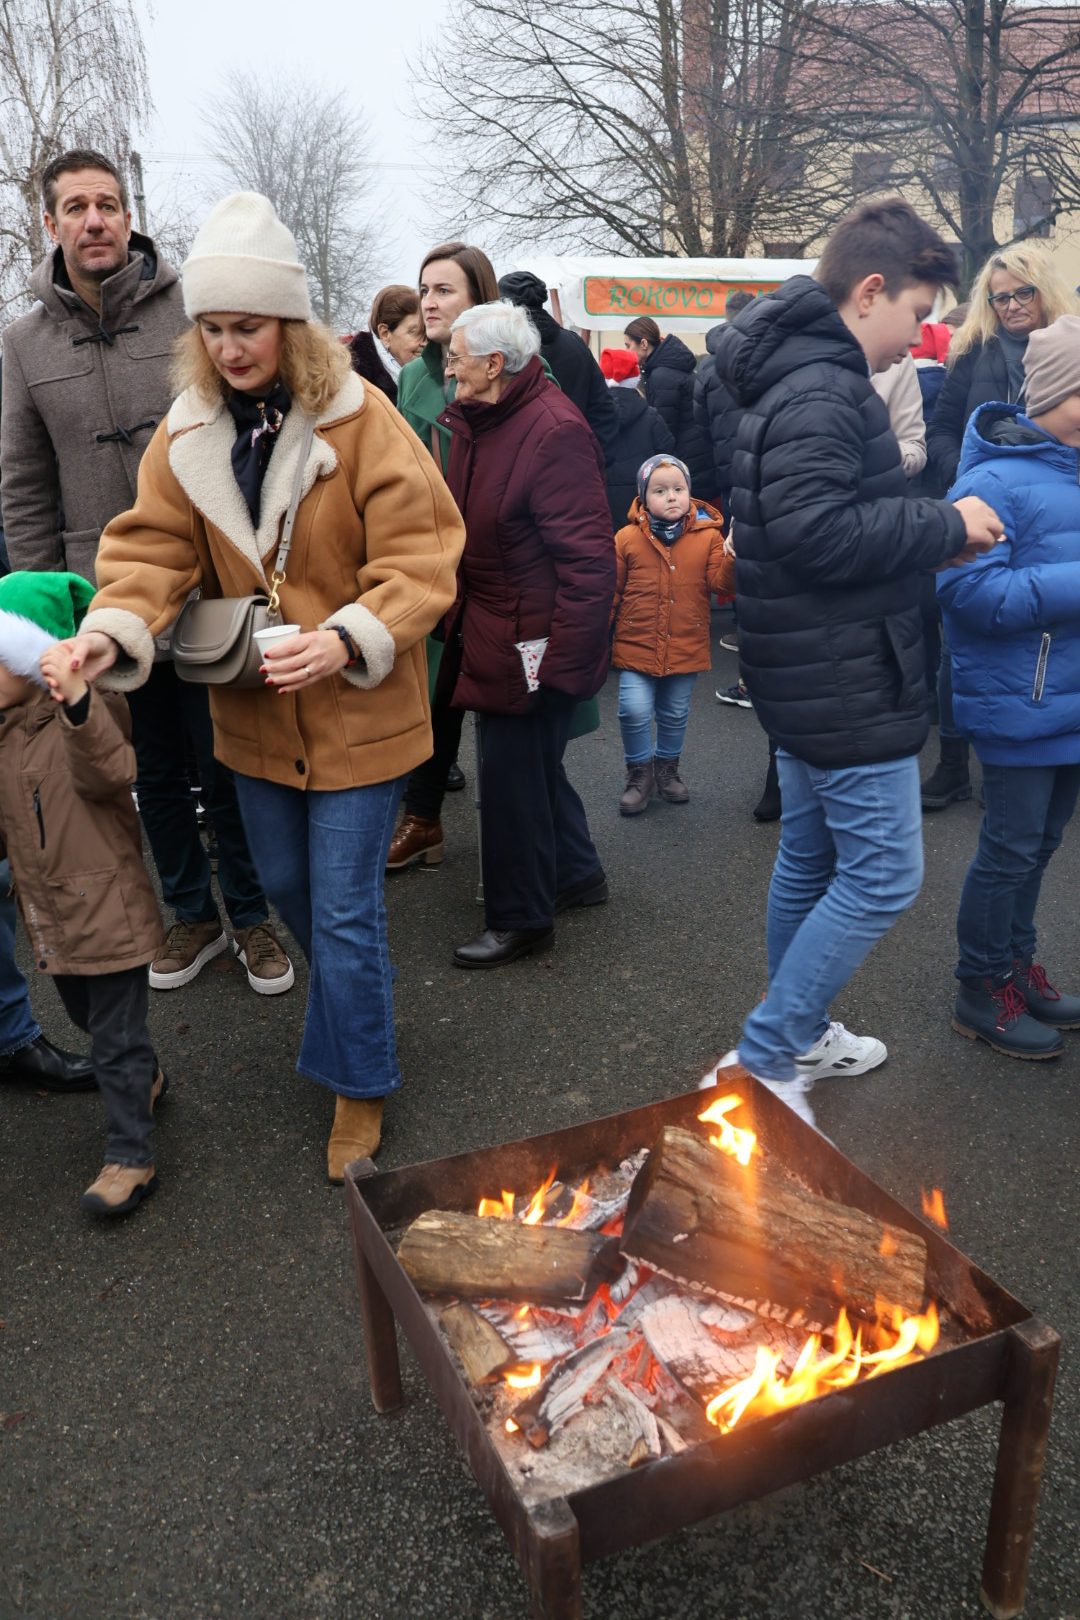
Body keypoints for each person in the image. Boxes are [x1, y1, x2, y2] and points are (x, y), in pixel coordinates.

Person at [58, 192, 465, 1181]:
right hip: (251, 716)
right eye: (214, 327)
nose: (231, 347)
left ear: (288, 324)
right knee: (286, 891)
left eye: (249, 326)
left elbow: (426, 557)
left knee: (342, 910)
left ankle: (360, 1083)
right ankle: (352, 1021)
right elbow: (149, 554)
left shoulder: (363, 420)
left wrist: (345, 638)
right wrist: (109, 633)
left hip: (360, 709)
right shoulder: (186, 433)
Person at [699, 197, 1004, 1127]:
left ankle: (803, 1034)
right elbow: (815, 530)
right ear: (871, 291)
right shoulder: (826, 388)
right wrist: (945, 523)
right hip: (843, 673)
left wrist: (922, 542)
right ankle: (767, 1053)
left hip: (806, 662)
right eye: (916, 314)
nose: (919, 338)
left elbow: (803, 528)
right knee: (881, 876)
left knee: (810, 855)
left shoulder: (794, 374)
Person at [0, 147, 291, 997]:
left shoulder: (188, 312)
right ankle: (190, 913)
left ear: (128, 216)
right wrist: (48, 613)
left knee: (228, 757)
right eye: (76, 207)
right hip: (101, 606)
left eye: (109, 204)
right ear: (48, 224)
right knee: (149, 769)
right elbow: (24, 485)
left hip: (207, 588)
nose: (95, 220)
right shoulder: (21, 343)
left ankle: (252, 915)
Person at [438, 301, 612, 967]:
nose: (448, 366)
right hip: (499, 624)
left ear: (492, 364)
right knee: (534, 767)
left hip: (528, 640)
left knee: (510, 779)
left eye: (456, 356)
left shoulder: (550, 430)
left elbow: (589, 562)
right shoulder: (493, 418)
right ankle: (575, 876)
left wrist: (563, 667)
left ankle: (521, 918)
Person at [0, 572, 165, 1214]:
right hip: (53, 920)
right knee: (89, 1022)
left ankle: (131, 1157)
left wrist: (75, 702)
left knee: (113, 1039)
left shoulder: (84, 715)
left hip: (108, 912)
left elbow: (112, 770)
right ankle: (144, 1078)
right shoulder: (7, 732)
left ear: (34, 661)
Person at [939, 316, 1080, 1060]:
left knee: (1041, 846)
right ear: (1060, 393)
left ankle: (1018, 972)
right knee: (1008, 850)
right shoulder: (992, 477)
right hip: (1019, 704)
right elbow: (970, 598)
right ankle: (978, 985)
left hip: (1068, 704)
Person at [922, 246, 1079, 813]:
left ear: (1043, 290)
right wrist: (968, 477)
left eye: (1022, 292)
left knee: (1051, 637)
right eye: (1000, 296)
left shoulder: (1072, 344)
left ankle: (1033, 759)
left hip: (1053, 508)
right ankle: (953, 763)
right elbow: (940, 428)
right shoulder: (974, 351)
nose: (1011, 305)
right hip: (986, 508)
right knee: (961, 644)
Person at [389, 241, 503, 870]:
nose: (429, 303)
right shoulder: (413, 377)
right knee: (433, 692)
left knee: (505, 706)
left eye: (445, 291)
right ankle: (423, 818)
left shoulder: (513, 364)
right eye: (424, 290)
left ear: (479, 299)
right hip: (437, 558)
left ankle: (534, 841)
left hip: (502, 559)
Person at [612, 453, 731, 814]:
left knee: (675, 712)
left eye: (679, 489)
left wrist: (734, 558)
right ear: (642, 498)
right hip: (637, 642)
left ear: (690, 494)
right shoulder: (627, 538)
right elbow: (611, 590)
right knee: (632, 710)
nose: (672, 497)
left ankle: (667, 770)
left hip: (685, 642)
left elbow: (720, 583)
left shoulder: (709, 537)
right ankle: (639, 773)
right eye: (660, 490)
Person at [498, 270, 618, 459]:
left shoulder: (505, 351)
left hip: (522, 465)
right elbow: (604, 410)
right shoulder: (574, 344)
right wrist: (591, 458)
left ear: (505, 304)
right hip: (575, 460)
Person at [623, 316, 715, 498]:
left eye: (628, 345)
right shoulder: (668, 367)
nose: (626, 351)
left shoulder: (661, 376)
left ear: (643, 344)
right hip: (700, 452)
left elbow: (665, 427)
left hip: (689, 456)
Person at [599, 348, 675, 527]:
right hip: (644, 499)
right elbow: (668, 454)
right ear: (635, 379)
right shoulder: (651, 416)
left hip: (604, 499)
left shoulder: (592, 417)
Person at [347, 284, 426, 406]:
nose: (425, 342)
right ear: (385, 334)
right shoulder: (353, 386)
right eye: (415, 332)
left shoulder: (438, 375)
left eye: (427, 332)